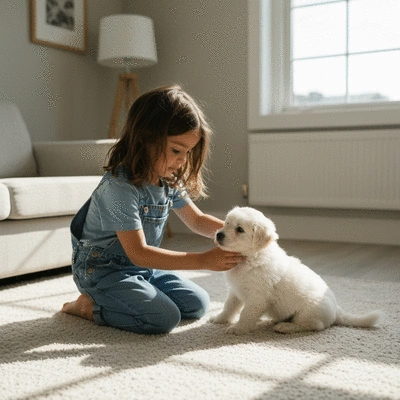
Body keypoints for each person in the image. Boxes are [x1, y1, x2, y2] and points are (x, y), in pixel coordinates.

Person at [62, 85, 245, 334]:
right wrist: (202, 260)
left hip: (143, 268)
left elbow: (197, 220)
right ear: (146, 138)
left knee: (197, 304)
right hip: (103, 272)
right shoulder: (119, 188)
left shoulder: (168, 180)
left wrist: (238, 235)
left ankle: (136, 294)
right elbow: (137, 252)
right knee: (163, 318)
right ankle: (87, 306)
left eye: (188, 152)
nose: (183, 160)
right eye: (176, 150)